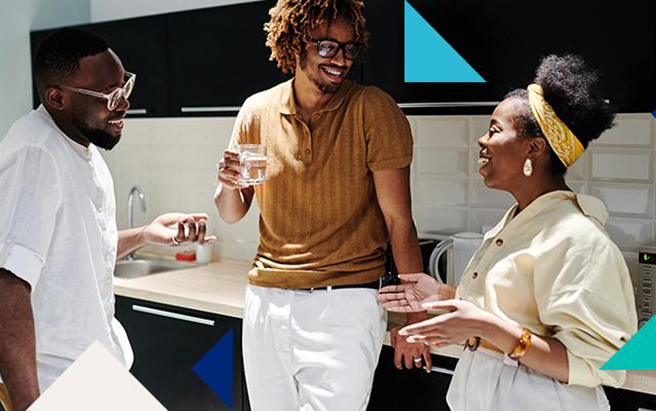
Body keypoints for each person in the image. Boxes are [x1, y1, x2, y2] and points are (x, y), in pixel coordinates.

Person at [377, 55, 638, 410]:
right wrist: (441, 294)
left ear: (534, 147)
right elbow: (511, 310)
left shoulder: (578, 238)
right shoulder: (519, 221)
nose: (481, 141)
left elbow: (596, 362)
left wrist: (485, 328)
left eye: (495, 130)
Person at [0, 28, 215, 411]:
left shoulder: (82, 150)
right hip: (52, 379)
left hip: (89, 367)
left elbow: (77, 252)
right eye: (110, 94)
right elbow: (8, 286)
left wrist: (144, 235)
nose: (123, 104)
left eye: (125, 87)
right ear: (57, 98)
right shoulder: (34, 156)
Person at [214, 0, 429, 409]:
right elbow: (232, 211)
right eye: (327, 47)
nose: (341, 60)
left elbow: (400, 221)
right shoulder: (256, 111)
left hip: (345, 304)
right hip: (265, 300)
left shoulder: (373, 109)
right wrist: (227, 183)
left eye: (349, 49)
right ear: (295, 44)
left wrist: (415, 318)